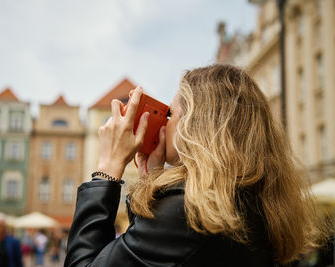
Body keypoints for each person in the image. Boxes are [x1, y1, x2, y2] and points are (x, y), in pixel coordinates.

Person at [64, 65, 329, 267]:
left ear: (197, 125)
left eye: (171, 114)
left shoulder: (190, 209)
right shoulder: (257, 200)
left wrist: (106, 171)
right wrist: (152, 183)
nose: (165, 122)